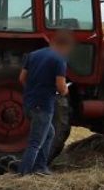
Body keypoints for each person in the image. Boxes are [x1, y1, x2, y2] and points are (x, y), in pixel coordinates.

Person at [17, 31, 74, 175]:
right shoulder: (59, 60)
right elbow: (61, 87)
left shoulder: (33, 55)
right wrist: (65, 90)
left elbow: (22, 79)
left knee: (49, 134)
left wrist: (33, 91)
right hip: (43, 106)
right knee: (35, 143)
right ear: (65, 46)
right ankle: (23, 175)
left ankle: (40, 167)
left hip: (29, 103)